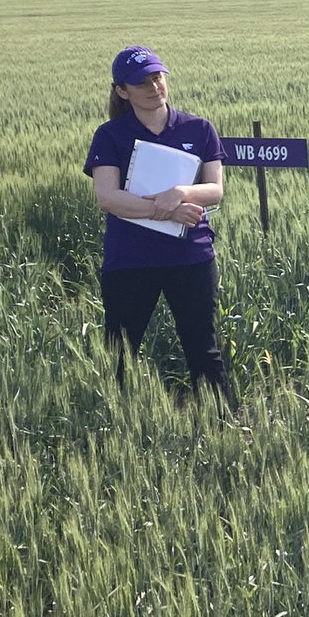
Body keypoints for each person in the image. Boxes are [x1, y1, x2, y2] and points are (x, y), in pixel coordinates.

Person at [84, 46, 236, 409]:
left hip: (191, 257)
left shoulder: (199, 129)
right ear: (122, 91)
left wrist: (181, 192)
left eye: (157, 77)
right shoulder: (110, 135)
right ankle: (115, 427)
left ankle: (225, 426)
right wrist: (168, 211)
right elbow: (108, 198)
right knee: (120, 351)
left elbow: (214, 190)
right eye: (142, 82)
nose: (154, 86)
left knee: (204, 349)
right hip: (131, 260)